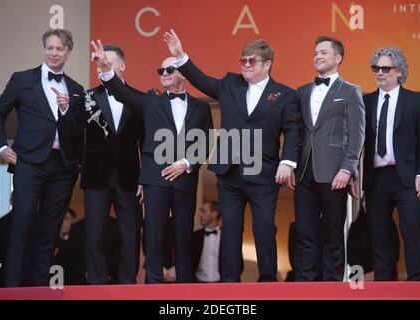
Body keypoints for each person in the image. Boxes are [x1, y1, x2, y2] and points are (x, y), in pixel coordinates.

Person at [164, 29, 299, 282]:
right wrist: (181, 56)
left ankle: (268, 280)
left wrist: (287, 161)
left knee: (264, 228)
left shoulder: (284, 94)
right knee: (231, 231)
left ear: (267, 64)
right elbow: (201, 80)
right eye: (243, 60)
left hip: (263, 173)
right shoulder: (229, 84)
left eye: (252, 61)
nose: (246, 65)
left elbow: (293, 130)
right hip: (229, 172)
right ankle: (229, 282)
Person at [91, 40, 213, 284]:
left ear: (183, 74)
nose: (164, 74)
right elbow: (121, 91)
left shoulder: (201, 107)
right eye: (161, 71)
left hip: (185, 177)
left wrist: (186, 163)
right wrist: (106, 70)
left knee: (183, 236)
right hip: (154, 179)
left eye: (170, 70)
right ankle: (153, 287)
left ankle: (185, 287)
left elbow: (206, 142)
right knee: (154, 235)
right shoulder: (149, 101)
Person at [0, 29, 84, 287]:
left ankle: (40, 287)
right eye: (50, 48)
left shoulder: (76, 89)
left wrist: (66, 110)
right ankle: (12, 287)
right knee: (22, 222)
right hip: (28, 162)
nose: (54, 53)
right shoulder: (22, 79)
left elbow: (75, 132)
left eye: (59, 49)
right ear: (44, 49)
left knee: (50, 228)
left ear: (68, 52)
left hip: (62, 166)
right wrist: (0, 147)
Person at [294, 36, 365, 281]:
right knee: (304, 234)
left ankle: (332, 289)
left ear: (338, 58)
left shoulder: (350, 90)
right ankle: (304, 287)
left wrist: (348, 169)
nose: (317, 56)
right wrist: (291, 163)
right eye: (315, 53)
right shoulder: (302, 91)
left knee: (334, 235)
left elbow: (357, 135)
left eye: (323, 52)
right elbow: (297, 133)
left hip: (334, 173)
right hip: (303, 173)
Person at [362, 47, 420, 281]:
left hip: (407, 177)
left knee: (411, 230)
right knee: (379, 235)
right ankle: (383, 286)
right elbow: (357, 143)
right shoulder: (366, 101)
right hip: (376, 179)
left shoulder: (415, 100)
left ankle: (415, 284)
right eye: (376, 68)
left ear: (399, 71)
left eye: (385, 68)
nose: (379, 73)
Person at [81, 45, 144, 284]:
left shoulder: (139, 99)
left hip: (130, 177)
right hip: (96, 176)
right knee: (95, 232)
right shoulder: (87, 97)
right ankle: (96, 282)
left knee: (130, 232)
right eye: (98, 62)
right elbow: (74, 135)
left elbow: (145, 144)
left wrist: (145, 179)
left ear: (122, 66)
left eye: (106, 61)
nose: (101, 65)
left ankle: (128, 283)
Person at [347, 195, 400, 281]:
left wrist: (377, 272)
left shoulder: (389, 225)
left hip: (384, 274)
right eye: (364, 201)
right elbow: (351, 254)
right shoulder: (355, 227)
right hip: (359, 275)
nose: (366, 204)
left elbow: (394, 251)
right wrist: (361, 275)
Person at [190, 201, 225, 283]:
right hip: (197, 285)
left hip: (223, 285)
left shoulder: (227, 237)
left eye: (203, 211)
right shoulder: (194, 236)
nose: (199, 214)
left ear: (214, 214)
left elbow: (237, 263)